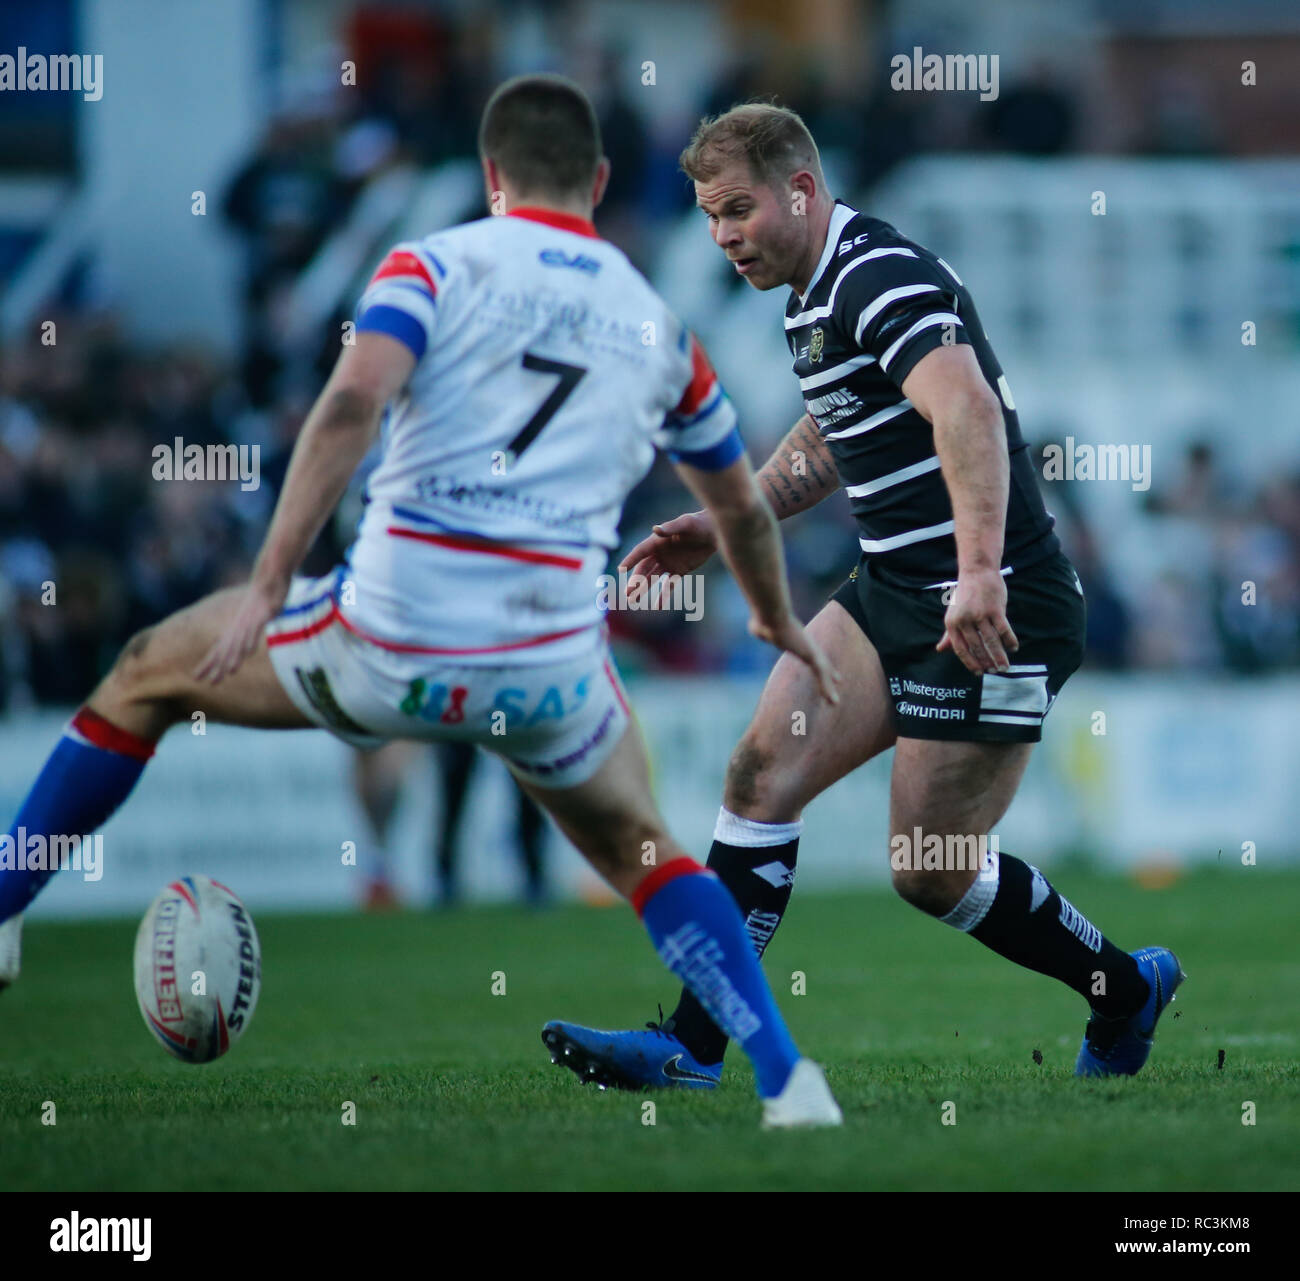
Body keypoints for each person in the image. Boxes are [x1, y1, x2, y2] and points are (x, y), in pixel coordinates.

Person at [0, 76, 844, 1129]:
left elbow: (353, 399)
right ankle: (788, 1084)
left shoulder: (431, 265)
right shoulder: (653, 320)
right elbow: (738, 501)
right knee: (651, 857)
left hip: (388, 638)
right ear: (597, 180)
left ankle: (3, 903)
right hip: (545, 665)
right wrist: (767, 611)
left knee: (144, 676)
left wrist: (270, 579)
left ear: (491, 178)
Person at [543, 102, 1183, 1090]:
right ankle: (692, 1047)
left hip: (997, 608)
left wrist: (975, 572)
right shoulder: (812, 293)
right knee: (758, 778)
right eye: (710, 217)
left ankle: (1120, 990)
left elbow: (962, 405)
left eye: (737, 211)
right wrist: (733, 523)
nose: (722, 237)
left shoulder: (876, 273)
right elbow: (837, 431)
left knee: (927, 867)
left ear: (801, 189)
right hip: (893, 589)